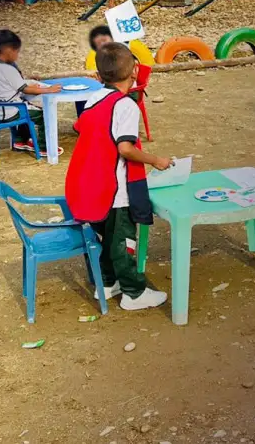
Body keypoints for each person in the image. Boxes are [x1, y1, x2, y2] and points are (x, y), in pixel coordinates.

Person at [65, 43, 172, 311]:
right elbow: (125, 149)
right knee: (124, 241)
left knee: (107, 238)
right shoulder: (125, 106)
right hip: (114, 189)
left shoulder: (93, 98)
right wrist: (156, 161)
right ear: (135, 71)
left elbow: (83, 128)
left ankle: (110, 282)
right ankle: (133, 293)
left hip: (90, 183)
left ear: (99, 75)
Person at [0, 29, 63, 155]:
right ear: (8, 51)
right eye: (17, 52)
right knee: (43, 114)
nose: (17, 55)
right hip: (9, 111)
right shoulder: (8, 69)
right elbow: (25, 89)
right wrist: (47, 89)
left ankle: (21, 140)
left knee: (25, 105)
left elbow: (6, 85)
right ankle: (45, 147)